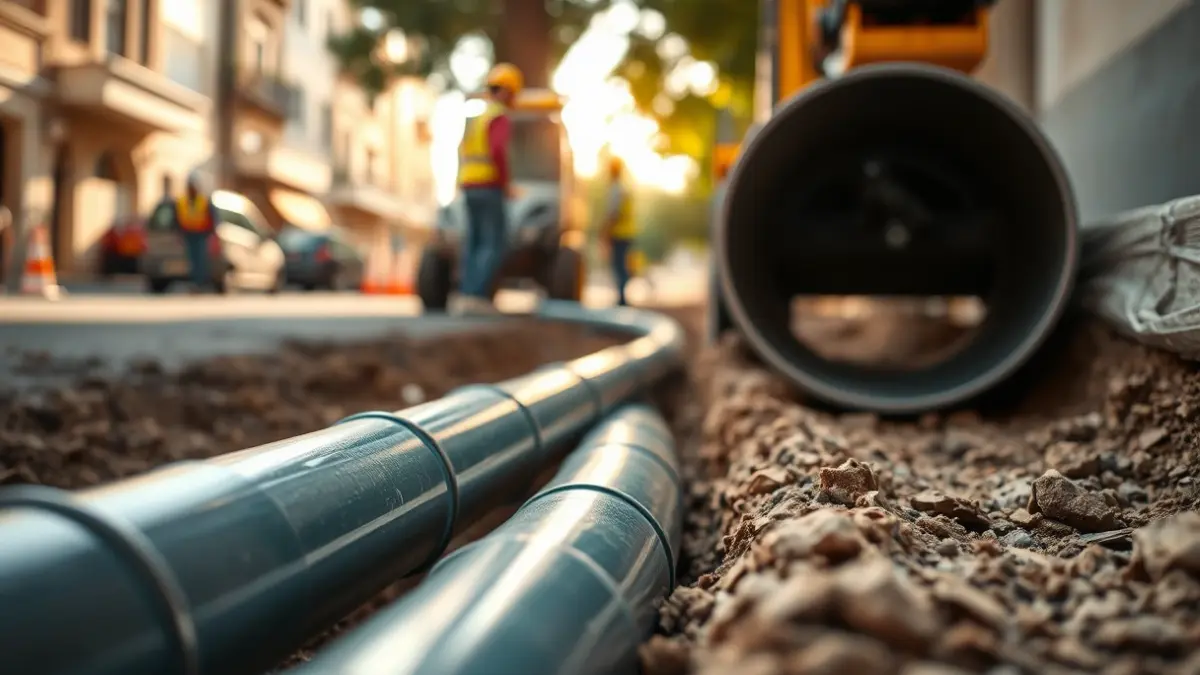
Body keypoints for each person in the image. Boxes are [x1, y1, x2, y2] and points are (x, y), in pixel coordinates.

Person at [453, 62, 523, 314]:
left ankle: (465, 295)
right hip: (488, 186)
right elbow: (497, 151)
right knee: (493, 242)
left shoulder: (475, 118)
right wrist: (505, 185)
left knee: (473, 242)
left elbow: (461, 151)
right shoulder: (498, 116)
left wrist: (458, 182)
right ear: (506, 91)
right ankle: (478, 297)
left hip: (469, 186)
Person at [174, 171, 219, 293]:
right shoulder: (182, 201)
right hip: (188, 234)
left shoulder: (203, 200)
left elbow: (212, 217)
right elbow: (177, 218)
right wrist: (179, 233)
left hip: (201, 234)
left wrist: (212, 233)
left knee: (200, 260)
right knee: (192, 260)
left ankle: (200, 283)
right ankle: (195, 282)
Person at [601, 156, 636, 306]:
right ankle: (622, 298)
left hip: (619, 234)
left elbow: (614, 214)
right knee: (623, 266)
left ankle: (622, 300)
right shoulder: (624, 188)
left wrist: (605, 232)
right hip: (628, 233)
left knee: (619, 267)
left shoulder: (616, 189)